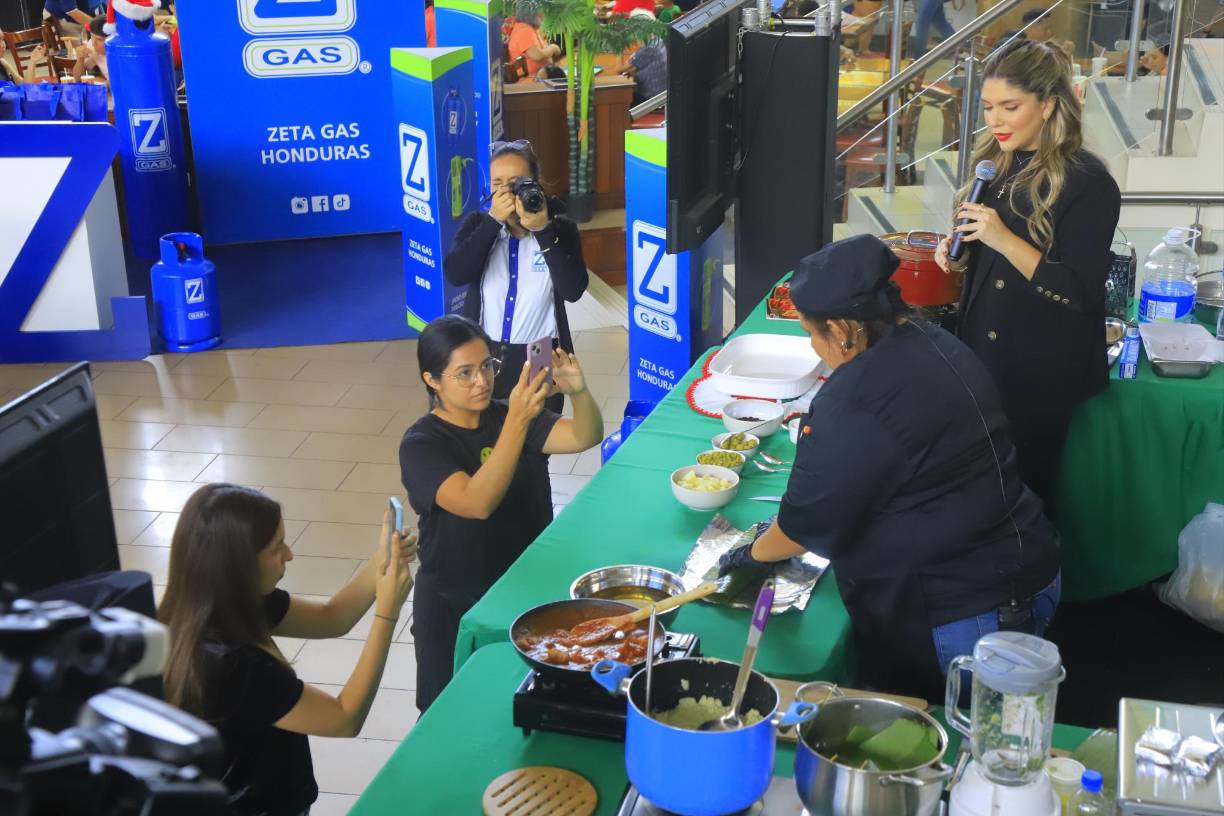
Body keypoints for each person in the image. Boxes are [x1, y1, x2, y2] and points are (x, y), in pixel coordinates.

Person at [718, 235, 1061, 701]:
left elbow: (804, 525)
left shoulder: (856, 402)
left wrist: (752, 554)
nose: (816, 349)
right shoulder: (933, 340)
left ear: (841, 330)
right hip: (1022, 565)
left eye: (812, 334)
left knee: (965, 742)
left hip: (967, 611)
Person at [935, 40, 1121, 500]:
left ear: (1048, 105)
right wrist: (959, 255)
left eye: (1009, 107)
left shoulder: (1089, 183)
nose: (993, 120)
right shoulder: (993, 167)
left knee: (1021, 504)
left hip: (1039, 376)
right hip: (981, 360)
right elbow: (989, 269)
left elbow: (1079, 292)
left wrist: (1002, 238)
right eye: (987, 107)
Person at [159, 484, 416, 815]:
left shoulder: (224, 601)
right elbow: (344, 718)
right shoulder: (232, 665)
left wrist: (382, 561)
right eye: (277, 548)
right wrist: (387, 612)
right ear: (239, 564)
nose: (290, 555)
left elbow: (332, 618)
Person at [399, 315, 604, 711]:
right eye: (464, 373)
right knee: (451, 713)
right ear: (432, 380)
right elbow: (477, 502)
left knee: (522, 702)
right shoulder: (422, 444)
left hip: (525, 590)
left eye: (487, 366)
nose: (482, 381)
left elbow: (584, 435)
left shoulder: (505, 414)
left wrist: (579, 392)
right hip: (457, 603)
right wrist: (516, 420)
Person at [443, 139, 588, 414]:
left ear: (536, 183)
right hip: (483, 350)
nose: (508, 191)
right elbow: (456, 273)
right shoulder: (479, 224)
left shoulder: (561, 230)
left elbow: (573, 290)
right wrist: (492, 222)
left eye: (517, 182)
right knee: (486, 440)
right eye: (498, 184)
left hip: (539, 352)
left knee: (536, 439)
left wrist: (543, 231)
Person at [620, 10, 667, 105]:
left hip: (649, 99)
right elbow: (634, 66)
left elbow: (619, 69)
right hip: (660, 93)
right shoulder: (657, 40)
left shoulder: (648, 47)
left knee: (617, 96)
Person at [507, 13, 560, 80]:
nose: (544, 14)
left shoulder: (531, 28)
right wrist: (553, 48)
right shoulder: (524, 30)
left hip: (541, 75)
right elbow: (537, 56)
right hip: (531, 79)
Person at [72, 14, 108, 83]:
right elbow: (78, 78)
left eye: (99, 39)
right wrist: (80, 59)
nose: (94, 43)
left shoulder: (121, 54)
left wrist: (101, 81)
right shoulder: (91, 44)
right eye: (92, 36)